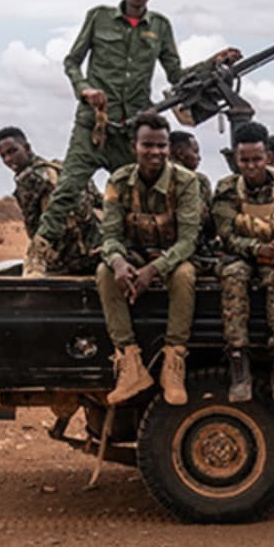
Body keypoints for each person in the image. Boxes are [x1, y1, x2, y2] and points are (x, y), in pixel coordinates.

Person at [29, 0, 237, 275]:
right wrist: (85, 89)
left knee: (136, 197)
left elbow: (177, 75)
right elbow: (72, 61)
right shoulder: (98, 18)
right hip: (93, 127)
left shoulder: (160, 27)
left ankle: (131, 257)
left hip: (130, 132)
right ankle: (38, 255)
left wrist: (212, 63)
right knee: (68, 190)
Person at [95, 113, 204, 407]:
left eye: (161, 145)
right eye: (148, 145)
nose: (155, 152)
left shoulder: (185, 181)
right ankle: (130, 363)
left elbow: (187, 241)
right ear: (134, 147)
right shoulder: (118, 181)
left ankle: (174, 361)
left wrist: (153, 270)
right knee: (104, 273)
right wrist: (118, 262)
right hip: (134, 254)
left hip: (171, 257)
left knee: (184, 275)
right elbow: (111, 234)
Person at [210, 120, 274, 403]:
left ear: (267, 158)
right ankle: (239, 367)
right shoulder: (226, 190)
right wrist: (258, 248)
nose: (250, 166)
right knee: (234, 276)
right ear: (236, 159)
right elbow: (227, 234)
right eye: (244, 160)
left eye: (256, 159)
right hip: (241, 256)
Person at [0, 126, 102, 274]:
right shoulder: (62, 168)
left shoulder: (29, 179)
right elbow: (100, 201)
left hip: (67, 261)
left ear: (27, 148)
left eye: (12, 151)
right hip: (98, 252)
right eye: (3, 156)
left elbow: (34, 230)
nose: (8, 159)